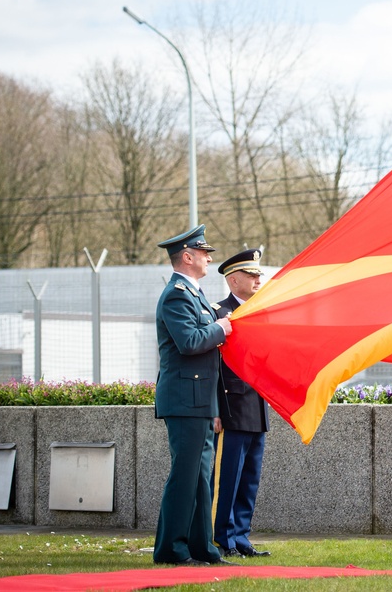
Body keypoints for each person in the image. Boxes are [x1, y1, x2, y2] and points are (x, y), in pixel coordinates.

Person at [153, 224, 237, 567]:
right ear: (187, 256)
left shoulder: (195, 293)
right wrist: (221, 328)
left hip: (199, 402)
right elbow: (189, 342)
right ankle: (171, 549)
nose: (208, 257)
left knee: (201, 480)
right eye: (203, 252)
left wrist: (214, 408)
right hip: (184, 400)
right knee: (185, 477)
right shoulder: (176, 294)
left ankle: (203, 549)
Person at [211, 248, 272, 558]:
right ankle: (223, 538)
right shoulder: (217, 313)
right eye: (251, 274)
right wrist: (216, 410)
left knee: (249, 478)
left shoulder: (261, 312)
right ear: (233, 280)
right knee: (228, 479)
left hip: (257, 406)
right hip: (232, 407)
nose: (258, 278)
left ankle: (241, 537)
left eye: (259, 273)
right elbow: (212, 367)